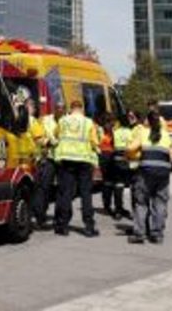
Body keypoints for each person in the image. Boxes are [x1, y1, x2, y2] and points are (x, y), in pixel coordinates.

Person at [53, 97, 100, 237]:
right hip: (84, 160)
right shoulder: (88, 122)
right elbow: (94, 141)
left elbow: (56, 135)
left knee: (66, 193)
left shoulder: (62, 121)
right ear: (82, 109)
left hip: (67, 160)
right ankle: (89, 227)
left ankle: (63, 226)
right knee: (86, 193)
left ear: (71, 108)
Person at [126, 106, 172, 243]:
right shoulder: (166, 134)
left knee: (141, 202)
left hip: (145, 172)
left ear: (148, 121)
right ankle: (157, 234)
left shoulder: (143, 133)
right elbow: (171, 154)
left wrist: (133, 155)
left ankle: (140, 234)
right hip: (163, 173)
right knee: (160, 202)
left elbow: (130, 148)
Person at [31, 100, 63, 227]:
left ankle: (59, 218)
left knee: (62, 190)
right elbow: (39, 136)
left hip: (62, 158)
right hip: (48, 157)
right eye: (58, 108)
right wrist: (48, 143)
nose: (60, 111)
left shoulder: (66, 121)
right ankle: (40, 215)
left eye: (62, 109)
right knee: (44, 187)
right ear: (54, 108)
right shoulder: (45, 120)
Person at [109, 111, 134, 218]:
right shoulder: (131, 132)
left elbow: (112, 144)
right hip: (127, 160)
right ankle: (133, 211)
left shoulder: (115, 132)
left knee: (118, 185)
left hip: (117, 160)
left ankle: (118, 210)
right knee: (130, 186)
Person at [98, 114, 116, 215]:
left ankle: (110, 204)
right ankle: (107, 205)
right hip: (104, 156)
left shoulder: (113, 131)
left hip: (112, 156)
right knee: (106, 182)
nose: (111, 124)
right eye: (109, 122)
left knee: (110, 182)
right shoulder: (100, 131)